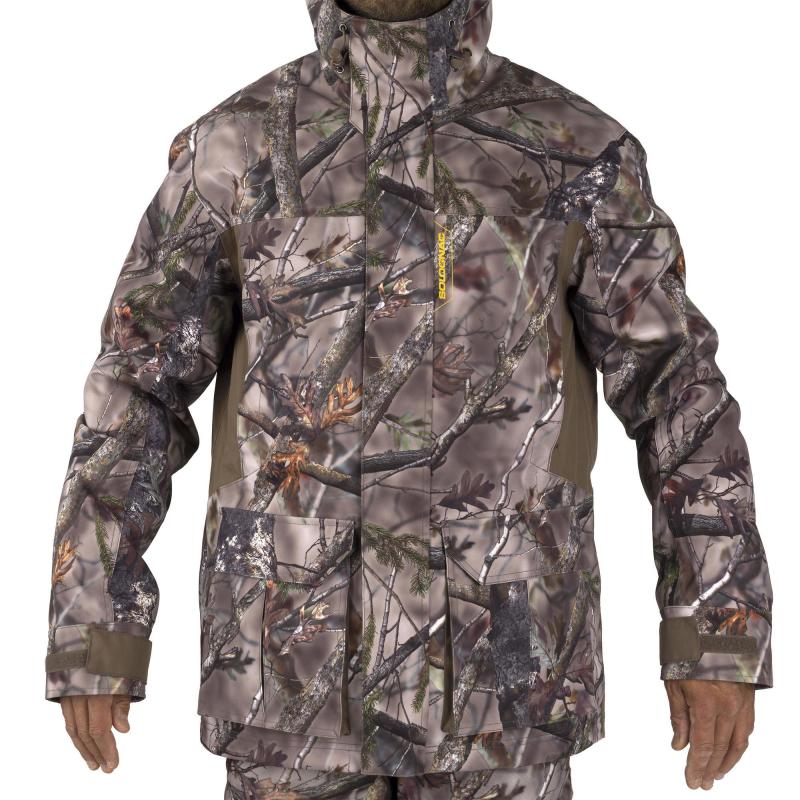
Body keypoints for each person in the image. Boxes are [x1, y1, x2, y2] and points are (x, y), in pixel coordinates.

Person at [44, 1, 773, 797]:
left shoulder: (575, 156)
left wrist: (718, 626)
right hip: (292, 683)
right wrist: (94, 618)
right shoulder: (233, 153)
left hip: (505, 687)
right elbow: (138, 388)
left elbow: (678, 394)